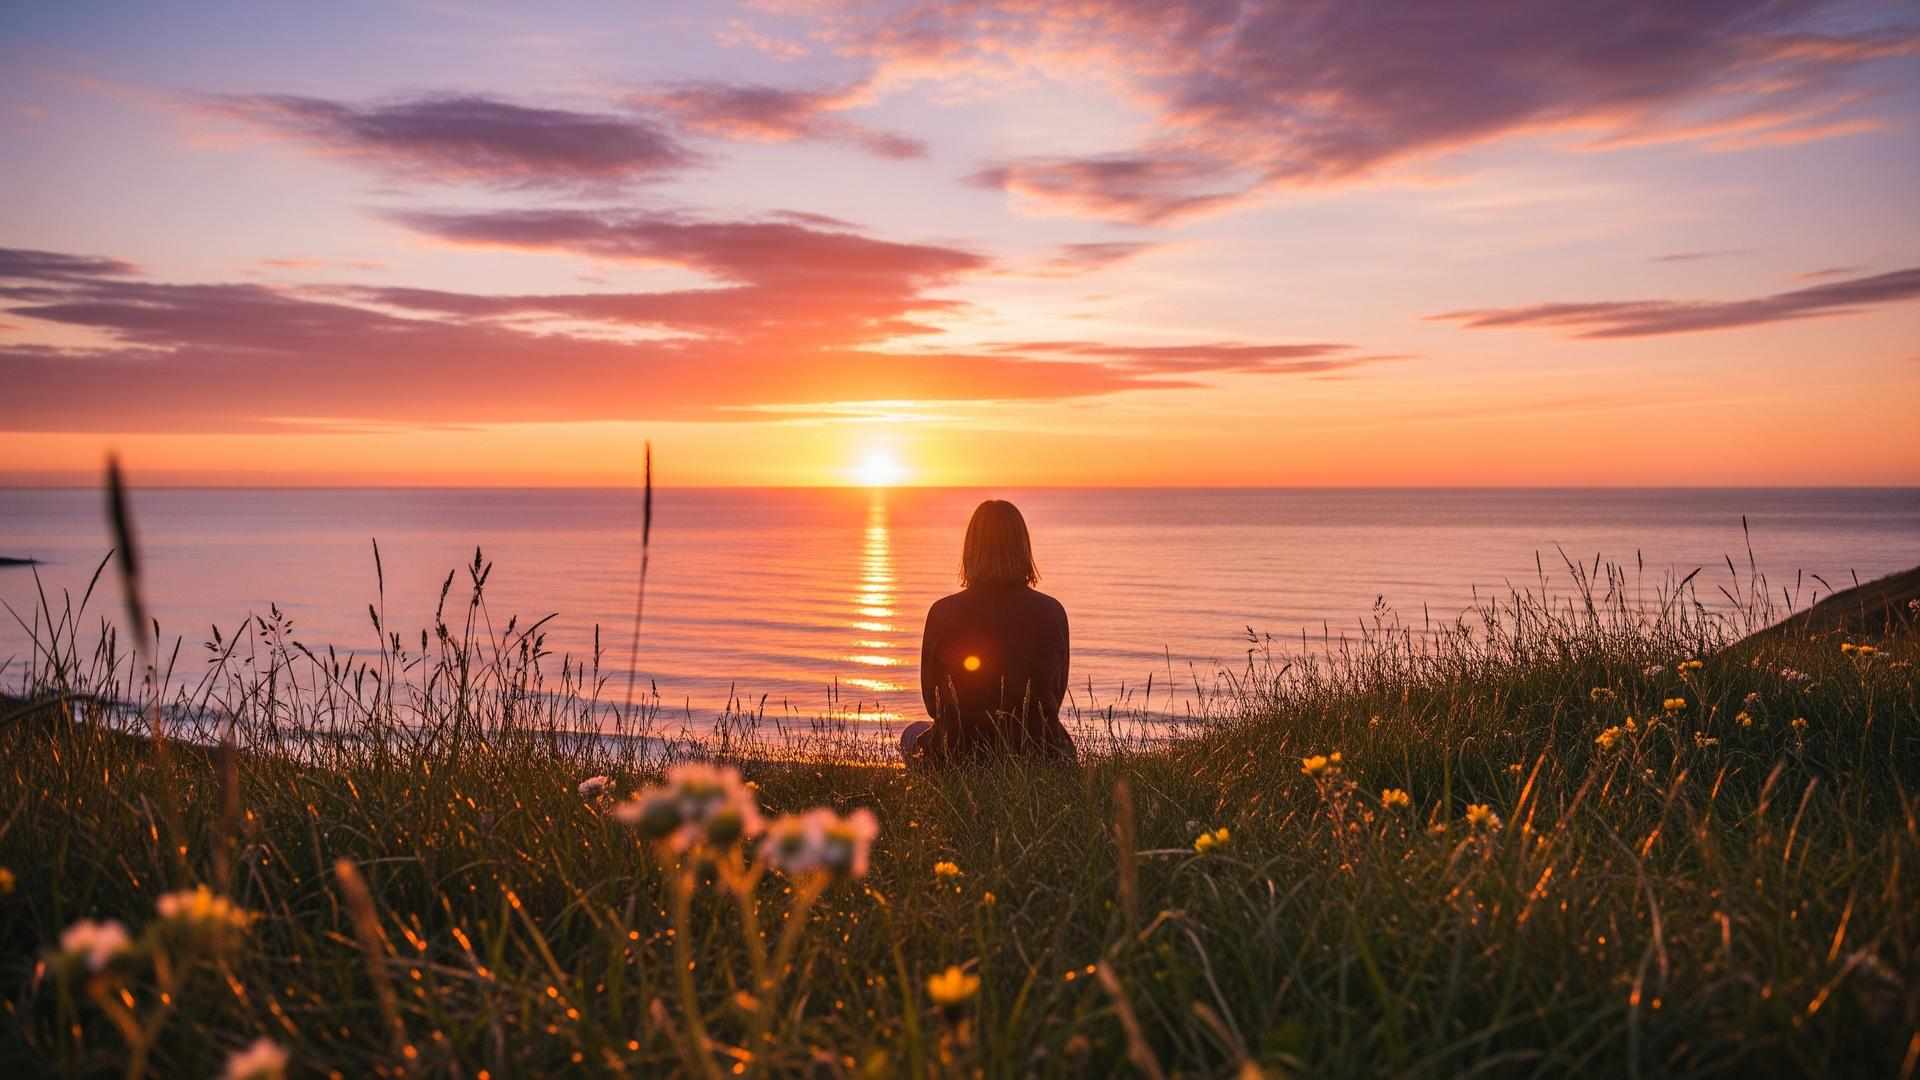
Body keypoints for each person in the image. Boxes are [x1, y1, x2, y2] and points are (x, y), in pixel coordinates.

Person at [902, 499, 1075, 766]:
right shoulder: (1052, 611)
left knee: (911, 734)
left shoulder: (943, 612)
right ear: (1023, 548)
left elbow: (932, 704)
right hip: (1041, 753)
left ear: (970, 549)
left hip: (960, 754)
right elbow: (1054, 694)